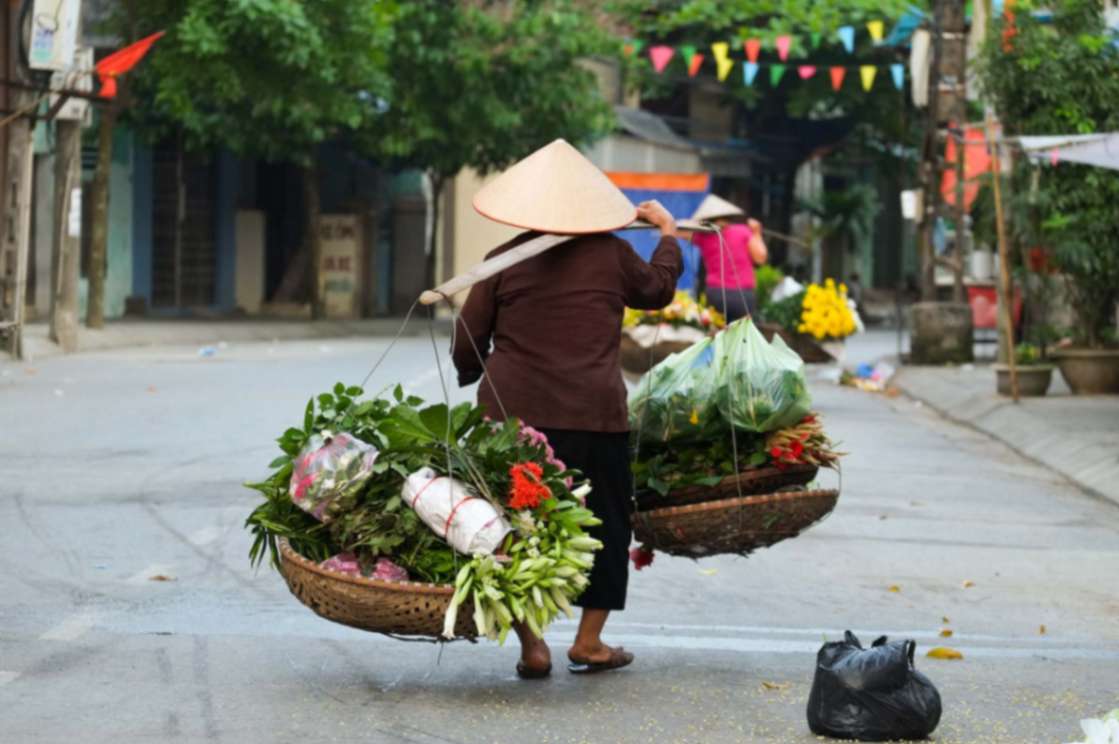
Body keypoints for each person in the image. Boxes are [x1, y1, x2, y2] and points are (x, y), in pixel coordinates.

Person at [450, 139, 682, 679]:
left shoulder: (502, 261)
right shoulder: (613, 255)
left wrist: (477, 374)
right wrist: (668, 234)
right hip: (592, 415)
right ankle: (589, 641)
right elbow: (658, 289)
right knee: (605, 521)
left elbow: (467, 339)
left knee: (512, 526)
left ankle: (533, 645)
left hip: (511, 419)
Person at [684, 193, 768, 321]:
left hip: (715, 294)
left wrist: (698, 223)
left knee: (717, 335)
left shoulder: (702, 236)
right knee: (743, 337)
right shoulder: (743, 231)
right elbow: (760, 258)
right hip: (741, 295)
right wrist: (756, 232)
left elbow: (682, 230)